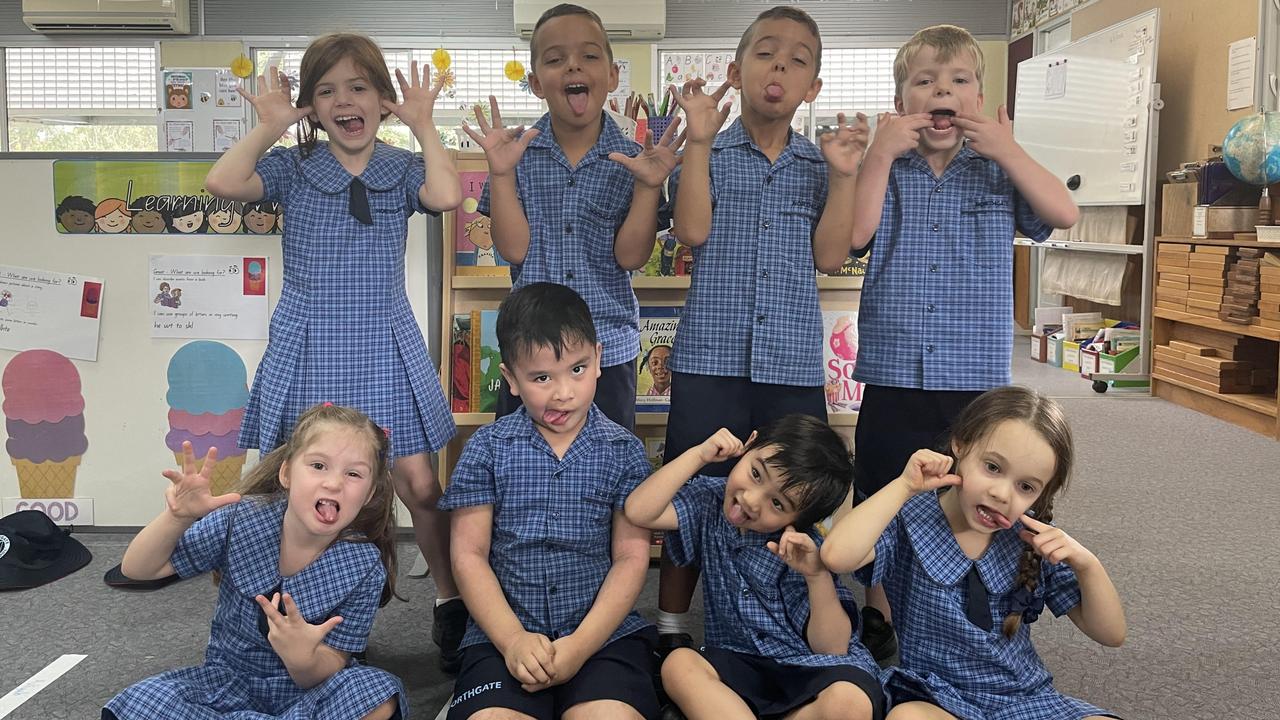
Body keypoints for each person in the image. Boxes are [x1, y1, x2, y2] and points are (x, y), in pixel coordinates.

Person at [204, 32, 468, 672]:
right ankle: (278, 612)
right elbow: (223, 180)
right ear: (310, 108)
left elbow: (447, 196)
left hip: (382, 337)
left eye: (358, 87)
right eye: (326, 91)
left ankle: (449, 600)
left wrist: (425, 124)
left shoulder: (403, 166)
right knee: (287, 482)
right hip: (308, 337)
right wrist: (269, 127)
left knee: (417, 481)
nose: (344, 101)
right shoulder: (295, 169)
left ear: (382, 98)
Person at [847, 24, 1080, 659]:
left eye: (958, 82)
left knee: (968, 491)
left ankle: (963, 604)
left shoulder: (999, 168)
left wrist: (1007, 149)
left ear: (979, 97)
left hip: (973, 375)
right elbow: (856, 235)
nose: (940, 91)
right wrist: (877, 154)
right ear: (901, 101)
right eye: (924, 82)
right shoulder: (890, 166)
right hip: (895, 366)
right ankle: (880, 611)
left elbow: (1062, 214)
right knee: (885, 488)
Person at [654, 4, 870, 656]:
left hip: (791, 362)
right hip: (710, 354)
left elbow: (830, 257)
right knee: (696, 491)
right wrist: (695, 140)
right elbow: (691, 231)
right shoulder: (709, 148)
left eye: (798, 59)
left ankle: (781, 617)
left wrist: (843, 175)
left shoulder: (818, 162)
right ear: (735, 69)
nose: (780, 66)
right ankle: (670, 625)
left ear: (814, 87)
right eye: (765, 52)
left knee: (792, 493)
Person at [821, 386, 1125, 719]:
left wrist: (1088, 564)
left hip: (1023, 698)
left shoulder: (1029, 538)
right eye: (993, 467)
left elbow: (1111, 634)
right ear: (960, 445)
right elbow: (837, 555)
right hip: (934, 696)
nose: (1001, 494)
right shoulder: (910, 517)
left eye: (1026, 487)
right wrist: (903, 487)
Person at [439, 282, 659, 720]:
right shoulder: (487, 448)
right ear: (512, 381)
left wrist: (579, 646)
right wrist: (513, 640)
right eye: (542, 378)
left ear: (598, 359)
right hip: (502, 635)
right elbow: (469, 555)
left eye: (578, 369)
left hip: (601, 637)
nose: (564, 393)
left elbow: (631, 559)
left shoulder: (625, 451)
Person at [104, 404, 407, 720]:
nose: (334, 483)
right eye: (318, 465)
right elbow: (138, 569)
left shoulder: (364, 565)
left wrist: (302, 658)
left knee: (377, 693)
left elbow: (331, 662)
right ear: (287, 473)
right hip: (225, 682)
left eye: (353, 474)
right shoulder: (241, 519)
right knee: (145, 701)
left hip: (308, 692)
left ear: (370, 492)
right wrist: (176, 518)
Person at [463, 3, 683, 432]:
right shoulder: (516, 155)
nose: (572, 66)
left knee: (607, 474)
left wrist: (648, 187)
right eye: (555, 58)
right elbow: (513, 250)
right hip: (528, 354)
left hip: (606, 352)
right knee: (520, 472)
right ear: (535, 83)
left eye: (588, 55)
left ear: (613, 75)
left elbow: (631, 257)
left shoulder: (634, 161)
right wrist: (502, 173)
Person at [625, 415, 885, 720]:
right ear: (749, 445)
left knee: (851, 702)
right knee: (677, 664)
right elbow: (639, 511)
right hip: (736, 662)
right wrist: (699, 455)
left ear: (797, 521)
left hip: (806, 668)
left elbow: (833, 648)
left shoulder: (802, 549)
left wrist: (816, 577)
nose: (750, 499)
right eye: (756, 473)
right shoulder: (708, 501)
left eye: (778, 504)